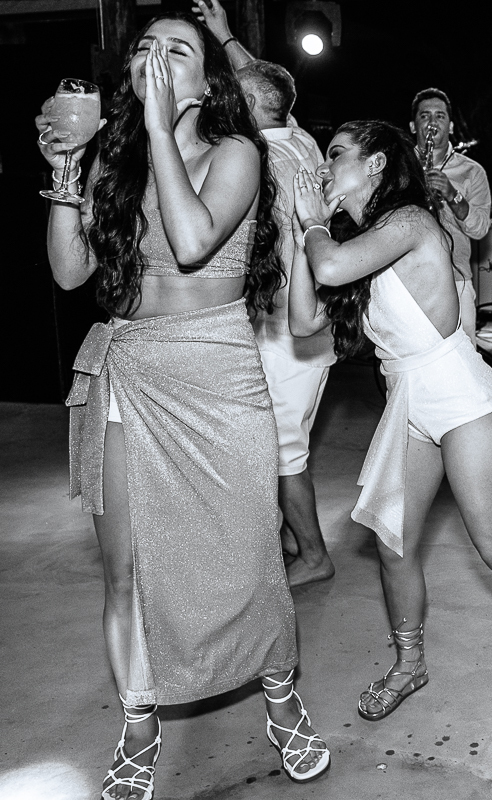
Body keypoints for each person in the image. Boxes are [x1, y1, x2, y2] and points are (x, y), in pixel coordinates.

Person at [38, 14, 329, 799]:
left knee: (249, 556)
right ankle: (138, 727)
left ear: (206, 82)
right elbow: (69, 272)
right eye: (144, 48)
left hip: (217, 370)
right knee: (126, 571)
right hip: (131, 368)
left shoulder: (238, 152)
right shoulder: (117, 159)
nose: (156, 60)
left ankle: (280, 694)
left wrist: (160, 130)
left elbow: (194, 239)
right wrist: (68, 173)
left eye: (178, 51)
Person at [286, 120, 492, 741]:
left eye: (336, 154)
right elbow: (304, 319)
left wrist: (311, 226)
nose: (324, 165)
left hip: (460, 396)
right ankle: (409, 662)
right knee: (393, 545)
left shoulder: (411, 222)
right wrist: (300, 232)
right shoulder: (353, 243)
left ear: (376, 165)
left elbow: (329, 267)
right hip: (407, 403)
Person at [236, 60, 337, 587]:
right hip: (308, 324)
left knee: (281, 451)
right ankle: (294, 538)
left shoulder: (261, 158)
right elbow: (272, 95)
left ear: (251, 105)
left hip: (285, 327)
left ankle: (315, 555)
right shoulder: (301, 140)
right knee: (282, 441)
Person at [411, 87, 492, 346]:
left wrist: (452, 194)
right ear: (413, 126)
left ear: (451, 125)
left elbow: (480, 229)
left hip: (456, 280)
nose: (432, 122)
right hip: (407, 279)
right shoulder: (400, 167)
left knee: (463, 357)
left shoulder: (473, 171)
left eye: (440, 116)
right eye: (425, 116)